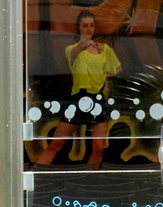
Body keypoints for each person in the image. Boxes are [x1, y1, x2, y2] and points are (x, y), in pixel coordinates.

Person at [35, 9, 121, 170]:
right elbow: (74, 54)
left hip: (96, 98)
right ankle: (36, 176)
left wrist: (102, 75)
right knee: (57, 143)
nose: (89, 29)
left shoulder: (104, 49)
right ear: (79, 28)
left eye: (92, 26)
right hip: (77, 98)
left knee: (98, 147)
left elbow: (117, 69)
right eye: (85, 26)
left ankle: (90, 179)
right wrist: (84, 45)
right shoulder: (72, 49)